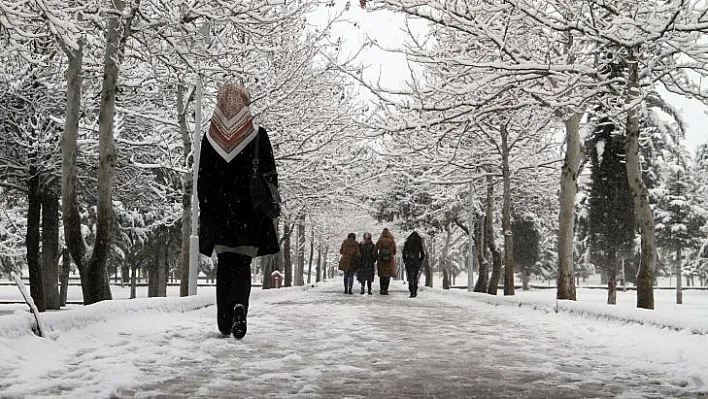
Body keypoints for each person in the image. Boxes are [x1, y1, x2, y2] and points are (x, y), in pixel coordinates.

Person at [198, 83, 280, 339]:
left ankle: (224, 321)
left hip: (221, 215)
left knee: (225, 265)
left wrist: (207, 209)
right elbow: (271, 176)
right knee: (242, 265)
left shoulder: (210, 138)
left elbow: (203, 179)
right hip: (250, 215)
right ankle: (239, 309)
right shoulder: (258, 135)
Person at [402, 231, 425, 298]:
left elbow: (403, 252)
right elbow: (422, 253)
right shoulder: (418, 243)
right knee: (415, 276)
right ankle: (415, 290)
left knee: (410, 276)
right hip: (416, 262)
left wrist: (405, 261)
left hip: (409, 261)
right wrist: (420, 261)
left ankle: (412, 291)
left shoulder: (407, 242)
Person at [375, 228, 397, 295]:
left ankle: (382, 289)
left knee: (382, 275)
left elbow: (375, 249)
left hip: (381, 260)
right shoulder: (392, 241)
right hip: (389, 260)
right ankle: (386, 289)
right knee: (387, 275)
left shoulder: (380, 240)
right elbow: (394, 251)